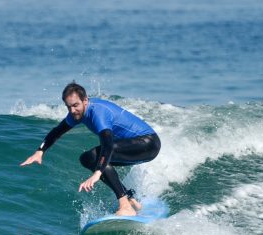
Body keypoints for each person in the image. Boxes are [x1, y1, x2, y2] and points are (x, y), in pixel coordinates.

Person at [20, 83, 161, 216]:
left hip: (148, 143)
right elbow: (57, 131)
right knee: (87, 158)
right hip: (138, 146)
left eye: (75, 105)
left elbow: (108, 144)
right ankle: (130, 200)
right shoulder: (76, 114)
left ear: (85, 100)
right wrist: (40, 151)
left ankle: (125, 206)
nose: (72, 111)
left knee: (96, 156)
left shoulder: (98, 113)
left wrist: (98, 172)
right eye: (68, 107)